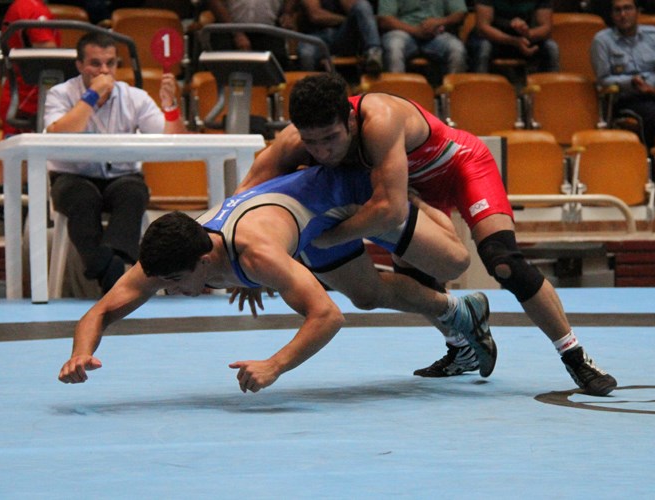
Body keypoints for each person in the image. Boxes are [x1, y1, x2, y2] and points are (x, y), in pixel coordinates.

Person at [236, 72, 618, 396]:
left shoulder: (380, 119)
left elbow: (390, 211)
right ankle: (461, 348)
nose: (321, 152)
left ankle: (575, 356)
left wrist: (327, 239)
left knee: (503, 262)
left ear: (350, 120)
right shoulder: (293, 141)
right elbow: (244, 198)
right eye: (312, 142)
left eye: (330, 139)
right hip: (409, 188)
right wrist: (247, 267)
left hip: (459, 168)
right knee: (418, 281)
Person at [58, 165, 497, 391]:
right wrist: (80, 354)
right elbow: (100, 313)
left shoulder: (256, 254)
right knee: (367, 294)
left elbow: (327, 316)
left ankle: (429, 204)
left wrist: (275, 365)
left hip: (350, 197)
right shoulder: (171, 253)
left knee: (451, 260)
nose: (168, 290)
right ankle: (461, 311)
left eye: (174, 282)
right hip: (304, 222)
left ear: (205, 261)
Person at [43, 32, 187, 295]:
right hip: (72, 177)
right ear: (79, 65)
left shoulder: (135, 97)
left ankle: (108, 263)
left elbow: (172, 140)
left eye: (110, 63)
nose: (104, 71)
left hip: (122, 177)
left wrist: (171, 106)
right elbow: (60, 134)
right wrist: (91, 95)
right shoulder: (60, 94)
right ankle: (113, 270)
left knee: (133, 193)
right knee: (83, 199)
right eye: (95, 64)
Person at [590, 0, 655, 150]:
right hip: (627, 98)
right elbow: (603, 80)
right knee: (654, 114)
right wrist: (630, 82)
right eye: (617, 10)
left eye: (628, 8)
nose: (623, 15)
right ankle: (652, 159)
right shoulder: (602, 41)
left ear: (638, 12)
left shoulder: (653, 35)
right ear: (612, 15)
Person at [0, 0, 60, 136]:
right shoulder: (33, 8)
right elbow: (49, 56)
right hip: (27, 103)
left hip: (23, 97)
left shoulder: (23, 5)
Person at [377, 0, 467, 78]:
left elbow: (459, 13)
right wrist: (415, 31)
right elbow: (385, 19)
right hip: (403, 30)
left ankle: (452, 90)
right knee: (394, 46)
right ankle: (395, 91)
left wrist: (439, 22)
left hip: (436, 33)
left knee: (457, 48)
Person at [467, 0, 560, 74]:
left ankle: (551, 90)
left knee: (551, 47)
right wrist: (514, 41)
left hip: (525, 39)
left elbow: (546, 28)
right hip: (492, 39)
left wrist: (527, 33)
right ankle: (478, 89)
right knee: (483, 47)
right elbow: (483, 27)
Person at [297, 0, 384, 75]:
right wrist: (343, 19)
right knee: (306, 53)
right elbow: (316, 15)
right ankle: (309, 86)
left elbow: (358, 12)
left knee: (363, 4)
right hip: (315, 36)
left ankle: (374, 52)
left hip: (341, 35)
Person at [206, 0, 299, 69]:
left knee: (277, 67)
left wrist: (287, 12)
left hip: (269, 30)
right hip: (228, 30)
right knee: (226, 68)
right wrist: (237, 33)